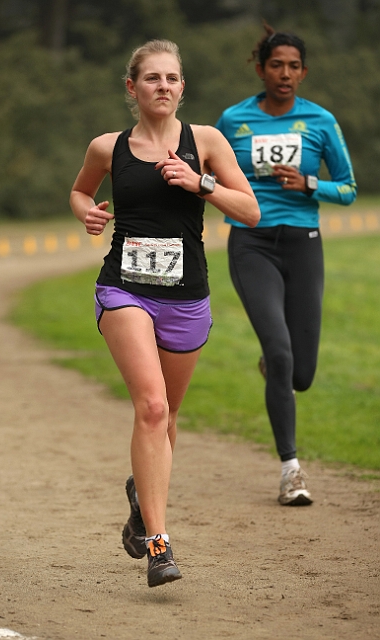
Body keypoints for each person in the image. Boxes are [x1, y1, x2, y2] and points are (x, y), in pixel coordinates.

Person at [70, 39, 260, 587]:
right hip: (124, 290)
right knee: (151, 408)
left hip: (186, 296)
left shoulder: (206, 142)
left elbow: (249, 210)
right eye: (152, 78)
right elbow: (80, 192)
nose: (163, 87)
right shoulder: (109, 147)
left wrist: (200, 183)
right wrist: (90, 213)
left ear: (182, 87)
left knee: (170, 417)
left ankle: (141, 498)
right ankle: (159, 545)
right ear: (133, 88)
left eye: (172, 78)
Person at [216, 23, 357, 506]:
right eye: (276, 64)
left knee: (301, 374)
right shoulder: (233, 121)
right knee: (280, 353)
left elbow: (349, 188)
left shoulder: (320, 121)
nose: (285, 73)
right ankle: (291, 471)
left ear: (304, 72)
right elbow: (213, 180)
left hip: (303, 244)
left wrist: (310, 185)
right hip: (251, 244)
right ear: (261, 69)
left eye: (294, 66)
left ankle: (278, 368)